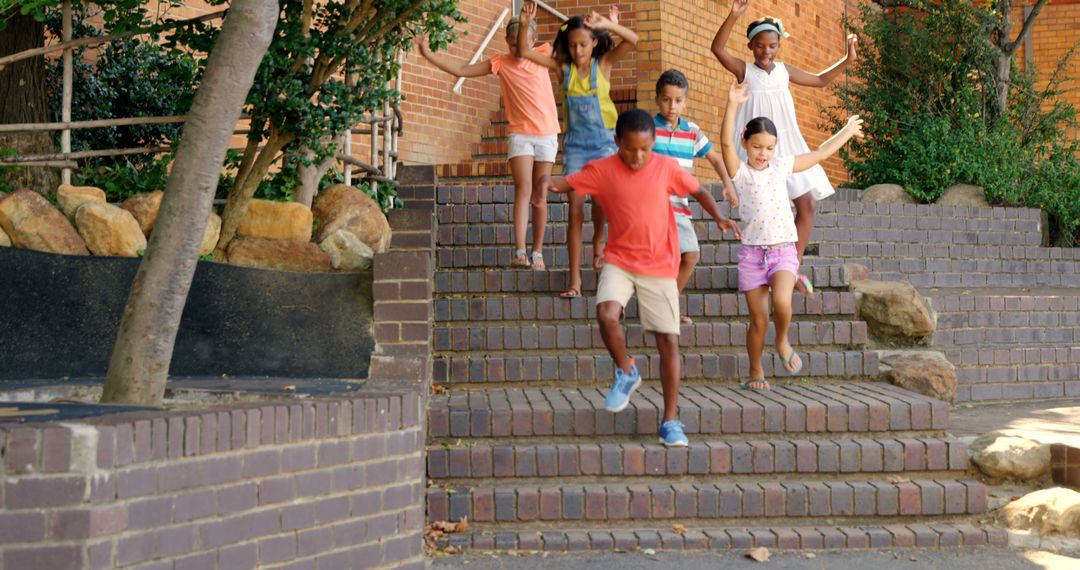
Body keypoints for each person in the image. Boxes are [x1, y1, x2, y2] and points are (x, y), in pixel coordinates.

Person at [537, 109, 743, 446]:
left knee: (668, 342)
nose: (638, 156)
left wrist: (719, 218)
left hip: (660, 264)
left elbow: (698, 191)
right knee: (606, 314)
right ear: (617, 143)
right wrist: (545, 182)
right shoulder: (602, 170)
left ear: (654, 143)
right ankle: (626, 369)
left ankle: (670, 420)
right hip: (619, 260)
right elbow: (567, 184)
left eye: (645, 149)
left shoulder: (664, 168)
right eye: (630, 149)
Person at [720, 81, 863, 391]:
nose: (763, 153)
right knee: (758, 320)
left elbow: (820, 153)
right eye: (757, 146)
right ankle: (756, 371)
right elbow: (726, 146)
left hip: (783, 250)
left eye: (769, 148)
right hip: (752, 255)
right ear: (746, 142)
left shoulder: (782, 166)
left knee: (782, 304)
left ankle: (782, 340)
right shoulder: (740, 173)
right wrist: (732, 104)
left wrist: (847, 131)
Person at [711, 0, 858, 294]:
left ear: (779, 46)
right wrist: (732, 16)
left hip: (788, 146)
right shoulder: (744, 71)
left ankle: (792, 267)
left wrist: (847, 59)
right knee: (763, 209)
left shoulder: (784, 71)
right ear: (751, 46)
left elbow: (819, 80)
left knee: (807, 205)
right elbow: (717, 49)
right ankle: (762, 265)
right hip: (759, 151)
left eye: (773, 46)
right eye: (761, 45)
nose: (767, 51)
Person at [416, 7, 560, 269]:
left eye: (522, 41)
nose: (517, 47)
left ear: (532, 41)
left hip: (547, 132)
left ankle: (537, 252)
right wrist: (427, 53)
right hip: (521, 134)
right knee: (523, 188)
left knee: (540, 194)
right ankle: (519, 251)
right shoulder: (500, 62)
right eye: (512, 42)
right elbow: (461, 68)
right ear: (506, 41)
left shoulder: (543, 54)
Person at [517, 1, 638, 298]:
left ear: (594, 42)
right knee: (574, 210)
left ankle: (598, 240)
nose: (578, 52)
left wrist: (608, 24)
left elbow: (634, 40)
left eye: (584, 45)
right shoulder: (563, 70)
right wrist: (523, 25)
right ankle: (575, 282)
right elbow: (524, 52)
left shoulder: (604, 66)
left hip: (604, 144)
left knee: (602, 201)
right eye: (572, 46)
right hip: (575, 148)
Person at [652, 69, 739, 324]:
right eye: (667, 99)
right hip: (652, 207)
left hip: (680, 208)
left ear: (685, 101)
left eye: (678, 100)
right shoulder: (647, 127)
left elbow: (714, 157)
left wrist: (728, 184)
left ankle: (667, 305)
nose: (672, 106)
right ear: (658, 99)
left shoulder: (692, 131)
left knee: (691, 255)